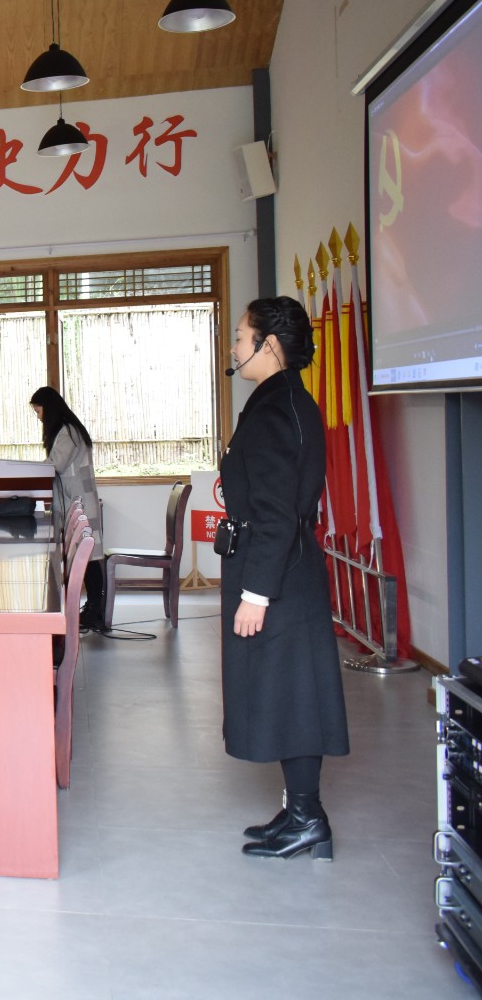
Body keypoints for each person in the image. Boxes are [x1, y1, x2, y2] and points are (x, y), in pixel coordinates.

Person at [222, 296, 348, 861]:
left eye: (240, 336)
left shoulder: (278, 408)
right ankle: (299, 811)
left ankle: (308, 819)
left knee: (294, 696)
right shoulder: (281, 399)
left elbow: (276, 513)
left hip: (280, 578)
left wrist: (256, 594)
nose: (234, 347)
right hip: (284, 569)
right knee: (286, 693)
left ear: (268, 345)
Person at [29, 386, 106, 632]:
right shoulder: (67, 430)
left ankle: (96, 611)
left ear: (48, 408)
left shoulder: (69, 432)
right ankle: (92, 609)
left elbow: (55, 464)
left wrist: (25, 471)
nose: (38, 416)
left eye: (38, 411)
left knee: (89, 558)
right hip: (74, 499)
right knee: (86, 558)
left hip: (80, 500)